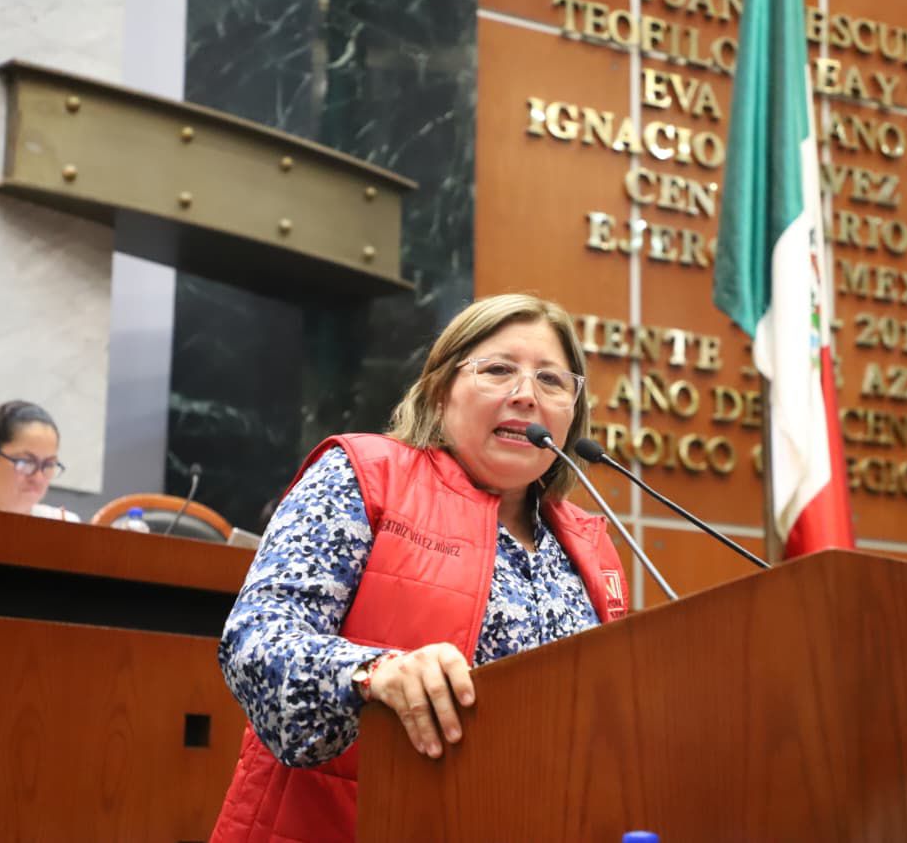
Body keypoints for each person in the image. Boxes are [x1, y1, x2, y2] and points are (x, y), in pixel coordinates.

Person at [211, 294, 629, 843]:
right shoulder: (364, 477)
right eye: (498, 370)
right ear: (439, 389)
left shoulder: (589, 545)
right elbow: (255, 641)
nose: (526, 395)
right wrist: (373, 673)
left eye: (551, 380)